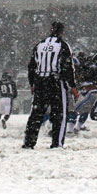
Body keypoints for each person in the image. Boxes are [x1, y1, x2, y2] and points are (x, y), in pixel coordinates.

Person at [23, 21, 78, 149]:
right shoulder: (62, 45)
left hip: (40, 81)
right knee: (59, 115)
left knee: (36, 114)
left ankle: (28, 143)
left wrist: (32, 83)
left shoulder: (39, 45)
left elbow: (31, 66)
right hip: (56, 82)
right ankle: (56, 143)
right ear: (62, 32)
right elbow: (67, 67)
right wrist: (73, 86)